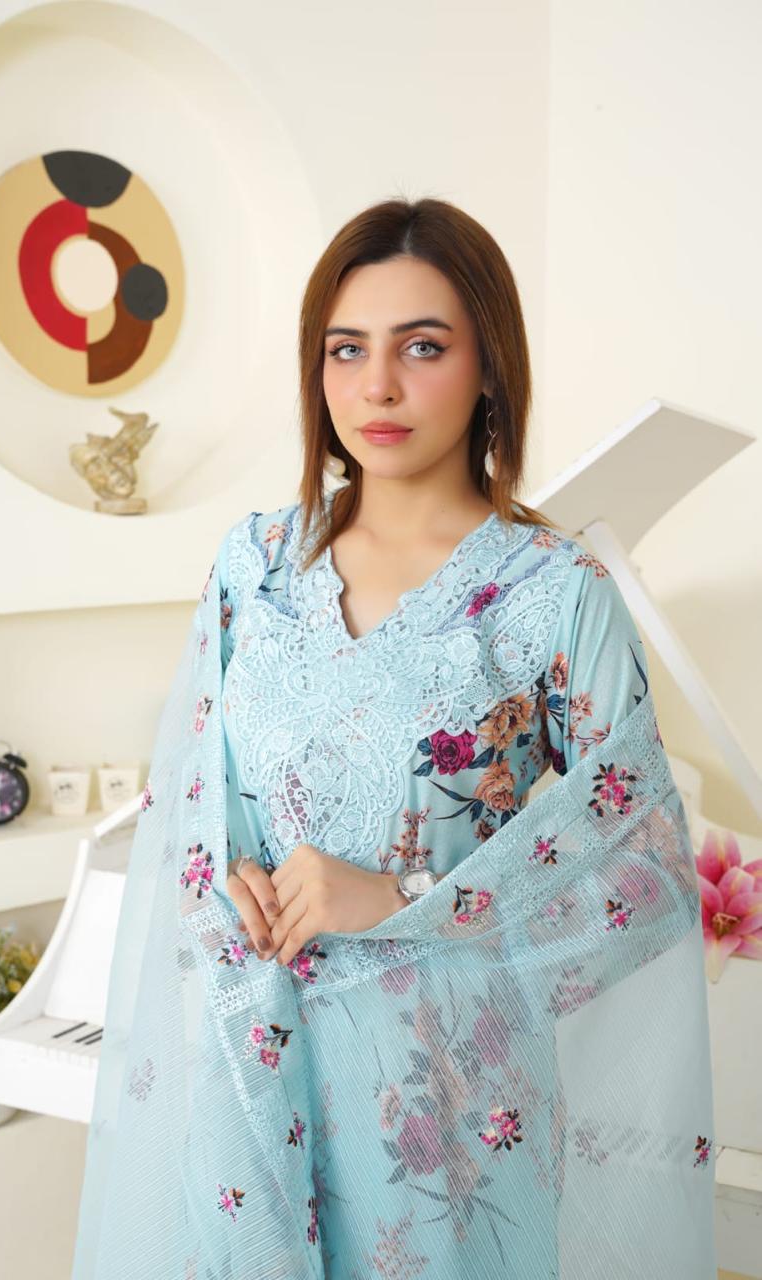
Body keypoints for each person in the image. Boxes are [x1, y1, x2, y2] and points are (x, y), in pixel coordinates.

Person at [72, 199, 716, 1279]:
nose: (376, 385)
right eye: (345, 349)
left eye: (422, 346)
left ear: (488, 368)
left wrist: (404, 896)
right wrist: (227, 880)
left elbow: (642, 878)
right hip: (251, 1064)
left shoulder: (552, 594)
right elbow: (189, 803)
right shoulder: (255, 567)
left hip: (448, 1110)